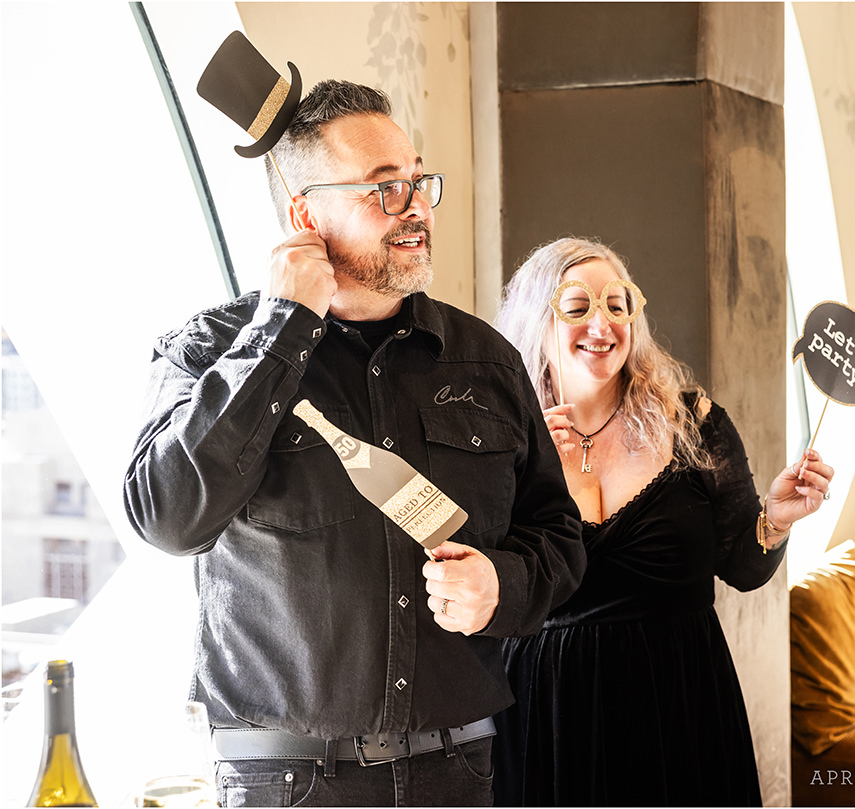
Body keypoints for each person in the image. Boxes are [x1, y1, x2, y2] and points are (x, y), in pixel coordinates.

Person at [123, 81, 586, 807]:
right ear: (305, 214)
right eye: (382, 188)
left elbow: (559, 535)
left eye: (416, 180)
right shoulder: (210, 350)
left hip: (458, 770)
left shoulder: (488, 362)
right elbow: (168, 516)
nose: (416, 206)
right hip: (286, 782)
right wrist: (280, 328)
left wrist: (504, 584)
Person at [491, 237, 835, 807]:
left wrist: (775, 521)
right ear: (537, 318)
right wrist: (538, 486)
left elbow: (744, 567)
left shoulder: (692, 423)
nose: (601, 324)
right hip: (543, 714)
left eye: (617, 304)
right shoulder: (501, 436)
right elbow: (487, 590)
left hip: (676, 702)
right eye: (577, 306)